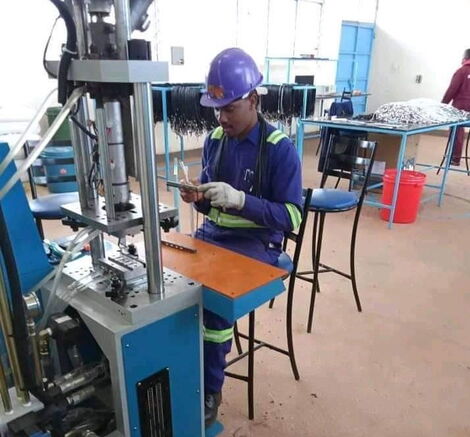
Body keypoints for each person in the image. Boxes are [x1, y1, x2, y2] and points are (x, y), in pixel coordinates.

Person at [180, 48, 302, 427]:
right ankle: (185, 375)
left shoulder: (279, 150)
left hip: (257, 246)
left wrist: (242, 201)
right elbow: (211, 209)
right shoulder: (216, 139)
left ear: (253, 100)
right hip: (213, 237)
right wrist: (197, 196)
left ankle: (210, 390)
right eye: (216, 108)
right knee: (174, 290)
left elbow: (292, 217)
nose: (221, 117)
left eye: (229, 108)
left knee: (213, 309)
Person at [442, 48, 470, 166]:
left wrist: (442, 104)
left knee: (456, 130)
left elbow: (452, 90)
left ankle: (455, 158)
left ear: (464, 59)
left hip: (460, 106)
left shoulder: (461, 71)